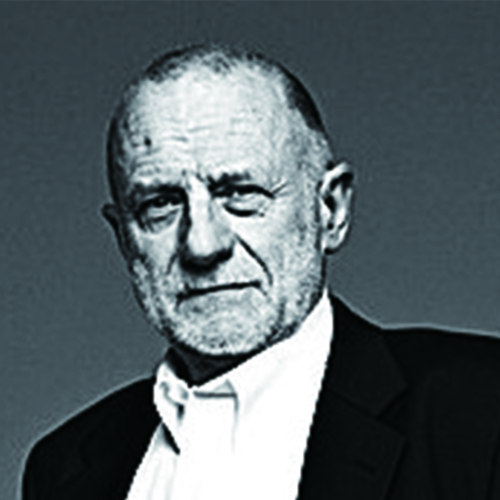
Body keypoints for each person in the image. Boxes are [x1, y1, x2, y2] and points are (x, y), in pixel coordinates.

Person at [22, 44, 500, 500]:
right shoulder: (64, 467)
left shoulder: (483, 407)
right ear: (123, 237)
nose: (203, 244)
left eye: (241, 193)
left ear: (330, 210)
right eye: (160, 204)